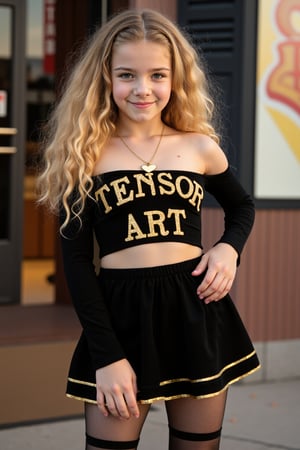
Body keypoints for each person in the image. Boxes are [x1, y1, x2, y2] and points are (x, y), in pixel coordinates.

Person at [38, 8, 260, 450]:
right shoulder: (85, 155)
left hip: (196, 313)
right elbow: (78, 264)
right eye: (127, 75)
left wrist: (227, 250)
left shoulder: (198, 147)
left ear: (176, 78)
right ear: (105, 78)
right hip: (121, 319)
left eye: (158, 74)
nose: (143, 89)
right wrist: (108, 356)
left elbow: (242, 207)